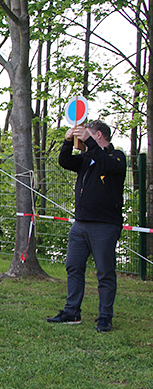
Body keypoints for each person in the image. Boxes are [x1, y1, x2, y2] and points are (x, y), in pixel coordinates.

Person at [47, 120, 126, 332]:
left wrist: (88, 142)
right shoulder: (85, 160)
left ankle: (105, 317)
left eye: (87, 135)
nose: (81, 139)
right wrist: (66, 141)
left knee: (105, 272)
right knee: (73, 267)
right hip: (80, 225)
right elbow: (65, 161)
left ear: (99, 135)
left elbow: (106, 165)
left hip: (105, 226)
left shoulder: (115, 156)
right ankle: (72, 311)